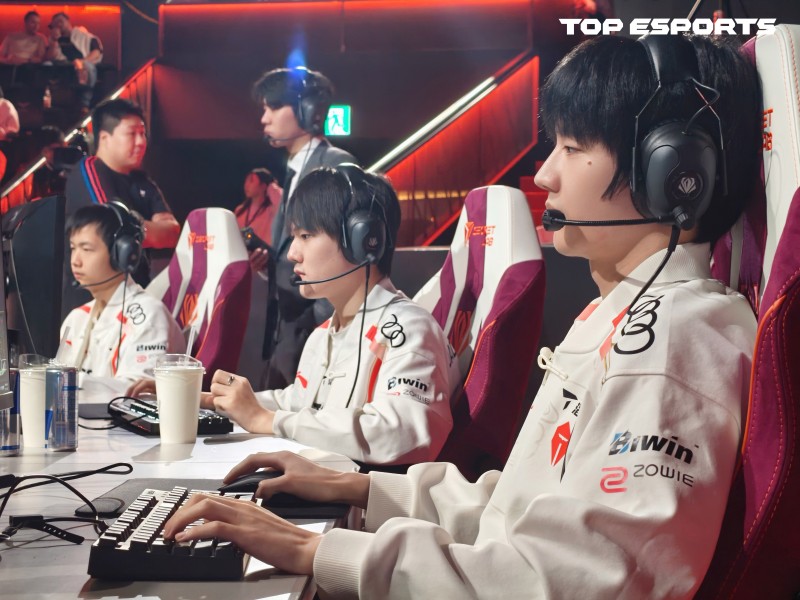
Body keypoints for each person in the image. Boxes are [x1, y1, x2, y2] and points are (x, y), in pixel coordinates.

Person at [163, 33, 762, 597]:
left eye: (572, 148)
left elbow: (570, 580)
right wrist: (359, 489)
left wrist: (317, 550)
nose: (545, 174)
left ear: (673, 177)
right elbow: (517, 512)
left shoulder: (672, 338)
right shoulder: (622, 316)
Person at [133, 165, 458, 465]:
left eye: (306, 236)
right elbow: (300, 403)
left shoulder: (409, 328)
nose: (292, 253)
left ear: (363, 241)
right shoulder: (323, 333)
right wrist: (216, 402)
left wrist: (267, 420)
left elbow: (403, 433)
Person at [252, 66, 356, 390]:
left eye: (273, 107)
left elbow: (343, 253)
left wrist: (320, 323)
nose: (264, 118)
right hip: (287, 327)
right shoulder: (295, 170)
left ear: (307, 110)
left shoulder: (335, 165)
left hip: (311, 327)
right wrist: (269, 265)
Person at [60, 203, 184, 392]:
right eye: (73, 248)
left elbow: (137, 393)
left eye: (86, 249)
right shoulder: (76, 319)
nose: (75, 261)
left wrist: (70, 384)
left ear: (122, 253)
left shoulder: (149, 316)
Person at [65, 99, 180, 290]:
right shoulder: (90, 170)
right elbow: (114, 229)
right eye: (131, 134)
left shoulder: (142, 180)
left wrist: (135, 228)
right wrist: (148, 230)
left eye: (143, 134)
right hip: (95, 294)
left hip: (138, 291)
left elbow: (172, 233)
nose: (141, 142)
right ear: (104, 138)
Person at [46, 12, 102, 111]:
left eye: (60, 21)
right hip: (62, 66)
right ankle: (49, 103)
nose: (58, 24)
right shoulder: (53, 40)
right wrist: (54, 40)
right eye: (55, 23)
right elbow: (50, 57)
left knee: (88, 67)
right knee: (46, 65)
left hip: (82, 64)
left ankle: (84, 105)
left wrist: (82, 61)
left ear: (68, 21)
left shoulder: (83, 35)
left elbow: (97, 51)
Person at [234, 167, 281, 247]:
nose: (246, 185)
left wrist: (271, 185)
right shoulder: (240, 210)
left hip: (262, 253)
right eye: (246, 181)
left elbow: (282, 203)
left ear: (263, 186)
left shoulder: (271, 210)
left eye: (251, 181)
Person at [31, 125, 68, 198]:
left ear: (65, 145)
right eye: (46, 151)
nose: (50, 154)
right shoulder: (39, 175)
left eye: (55, 149)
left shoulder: (75, 167)